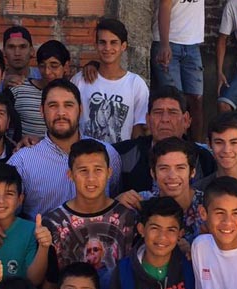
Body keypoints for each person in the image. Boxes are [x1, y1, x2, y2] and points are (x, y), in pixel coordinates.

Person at [7, 79, 122, 219]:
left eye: (68, 105)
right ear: (42, 111)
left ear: (80, 110)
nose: (61, 113)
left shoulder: (108, 154)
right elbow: (7, 213)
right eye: (53, 105)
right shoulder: (22, 162)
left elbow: (114, 203)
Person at [41, 139, 137, 289]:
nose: (91, 178)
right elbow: (50, 282)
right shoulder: (54, 222)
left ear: (109, 172)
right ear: (70, 175)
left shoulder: (128, 218)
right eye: (83, 170)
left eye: (98, 170)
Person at [105, 196, 196, 289]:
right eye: (155, 228)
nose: (162, 237)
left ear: (180, 234)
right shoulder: (124, 272)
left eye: (171, 230)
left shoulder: (190, 266)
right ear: (141, 229)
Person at [114, 85, 217, 196]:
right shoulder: (123, 154)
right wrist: (116, 201)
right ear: (148, 120)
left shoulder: (203, 159)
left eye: (172, 112)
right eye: (158, 112)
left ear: (186, 120)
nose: (165, 119)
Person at [0, 162, 50, 285]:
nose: (1, 201)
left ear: (20, 199)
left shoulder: (30, 231)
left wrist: (44, 247)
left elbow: (34, 281)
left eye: (9, 194)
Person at [72, 19, 148, 144]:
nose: (107, 48)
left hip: (122, 157)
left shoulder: (136, 84)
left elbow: (138, 128)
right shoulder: (80, 80)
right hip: (84, 158)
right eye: (102, 42)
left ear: (123, 46)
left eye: (113, 43)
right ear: (96, 45)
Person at [119, 136, 206, 243]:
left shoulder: (209, 205)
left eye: (180, 168)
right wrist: (116, 205)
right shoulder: (141, 201)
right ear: (153, 173)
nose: (172, 176)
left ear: (192, 172)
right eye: (164, 168)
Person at [151, 0, 205, 140]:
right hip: (170, 43)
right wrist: (164, 44)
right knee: (173, 100)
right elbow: (165, 6)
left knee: (196, 99)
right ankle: (174, 145)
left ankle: (196, 147)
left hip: (192, 45)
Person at [10, 40, 70, 140]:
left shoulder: (73, 93)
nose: (47, 71)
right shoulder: (19, 89)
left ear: (66, 66)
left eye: (54, 66)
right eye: (42, 66)